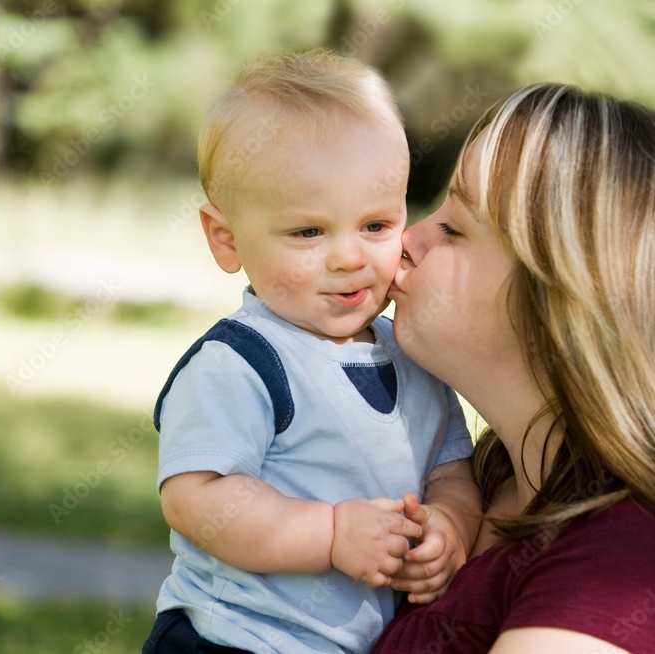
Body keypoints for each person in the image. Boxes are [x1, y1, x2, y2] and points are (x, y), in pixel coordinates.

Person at [142, 48, 482, 654]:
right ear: (227, 240)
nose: (349, 256)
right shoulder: (243, 363)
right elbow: (197, 498)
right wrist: (328, 534)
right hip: (230, 638)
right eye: (309, 232)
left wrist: (451, 526)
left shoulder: (415, 357)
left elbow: (452, 470)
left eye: (376, 225)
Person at [372, 83, 655, 653]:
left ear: (561, 300)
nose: (407, 240)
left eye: (453, 229)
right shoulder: (477, 480)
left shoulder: (622, 556)